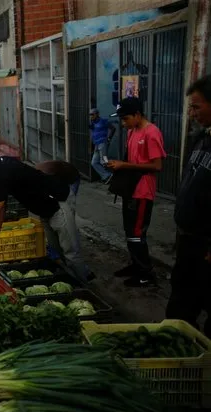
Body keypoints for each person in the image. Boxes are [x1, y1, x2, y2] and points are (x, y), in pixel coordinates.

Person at [0, 146, 91, 282]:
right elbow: (2, 201)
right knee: (57, 249)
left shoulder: (2, 171)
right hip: (45, 210)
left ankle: (85, 286)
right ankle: (77, 277)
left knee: (71, 252)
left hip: (58, 203)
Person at [165, 76, 211, 334]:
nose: (191, 114)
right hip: (188, 241)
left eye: (196, 107)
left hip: (207, 246)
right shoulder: (200, 139)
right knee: (180, 304)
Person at [106, 97, 166, 287]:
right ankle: (136, 265)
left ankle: (145, 273)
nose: (123, 124)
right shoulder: (133, 131)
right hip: (130, 189)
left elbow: (156, 165)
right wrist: (119, 166)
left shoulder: (152, 132)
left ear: (138, 115)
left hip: (142, 192)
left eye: (126, 119)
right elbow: (132, 161)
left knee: (137, 232)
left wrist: (124, 165)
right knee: (130, 231)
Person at [35, 160, 92, 279]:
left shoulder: (46, 179)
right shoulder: (38, 179)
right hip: (56, 179)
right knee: (58, 223)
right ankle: (62, 255)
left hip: (71, 179)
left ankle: (82, 272)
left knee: (67, 219)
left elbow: (57, 197)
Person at [89, 108, 116, 183]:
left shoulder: (103, 121)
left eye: (92, 114)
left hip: (103, 144)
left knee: (103, 161)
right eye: (90, 115)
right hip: (96, 145)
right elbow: (92, 134)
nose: (91, 116)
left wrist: (109, 138)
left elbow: (113, 128)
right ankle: (107, 175)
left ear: (97, 114)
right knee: (94, 163)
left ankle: (116, 173)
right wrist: (91, 145)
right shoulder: (92, 123)